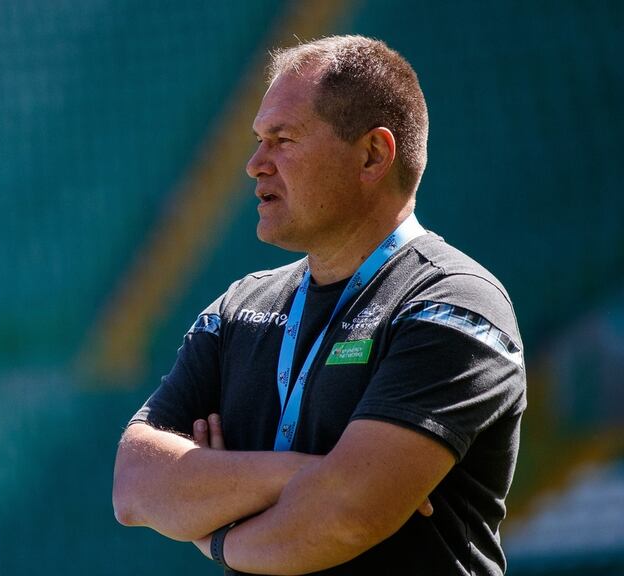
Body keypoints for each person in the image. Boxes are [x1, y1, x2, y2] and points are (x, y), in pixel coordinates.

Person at [113, 35, 526, 575]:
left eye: (282, 139)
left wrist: (214, 534)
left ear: (373, 155)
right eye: (258, 140)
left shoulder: (452, 302)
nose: (254, 164)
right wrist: (303, 473)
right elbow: (134, 486)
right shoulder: (238, 308)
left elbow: (347, 516)